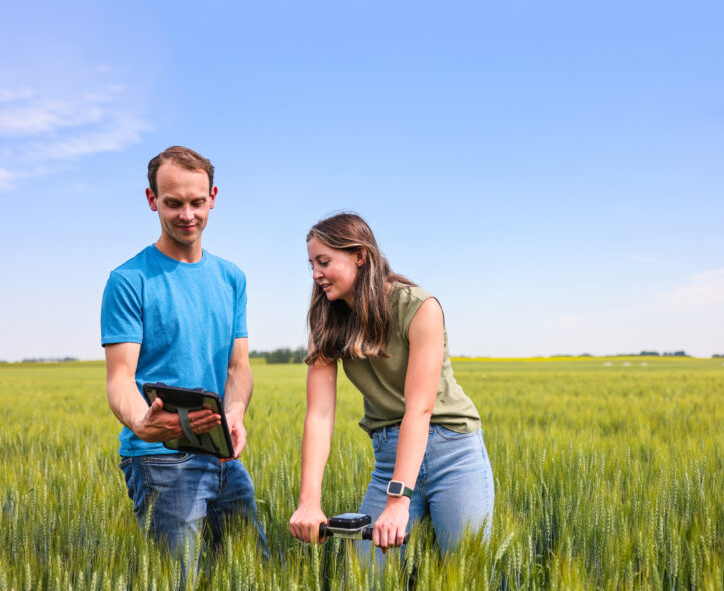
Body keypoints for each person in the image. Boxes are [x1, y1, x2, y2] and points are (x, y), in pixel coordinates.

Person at [288, 212, 494, 565]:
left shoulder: (419, 308)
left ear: (360, 256)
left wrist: (398, 501)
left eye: (324, 262)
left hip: (453, 453)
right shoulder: (324, 323)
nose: (315, 274)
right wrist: (309, 501)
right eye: (311, 264)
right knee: (367, 574)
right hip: (389, 457)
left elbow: (420, 409)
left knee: (466, 573)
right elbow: (319, 415)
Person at [100, 146, 267, 568]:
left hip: (222, 454)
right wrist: (142, 422)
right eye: (173, 203)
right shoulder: (128, 280)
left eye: (196, 202)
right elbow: (121, 379)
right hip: (159, 459)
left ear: (213, 197)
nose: (187, 215)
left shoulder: (232, 278)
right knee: (178, 580)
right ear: (152, 199)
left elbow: (237, 367)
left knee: (253, 571)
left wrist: (235, 414)